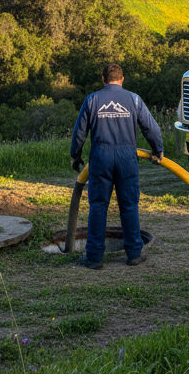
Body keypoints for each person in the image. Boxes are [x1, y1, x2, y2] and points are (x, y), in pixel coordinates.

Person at [70, 63, 164, 269]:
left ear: (103, 80)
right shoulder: (134, 99)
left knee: (98, 206)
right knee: (129, 205)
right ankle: (134, 254)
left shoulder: (92, 100)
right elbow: (151, 128)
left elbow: (79, 133)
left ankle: (94, 257)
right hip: (127, 157)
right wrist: (158, 150)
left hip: (100, 157)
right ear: (122, 80)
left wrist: (75, 156)